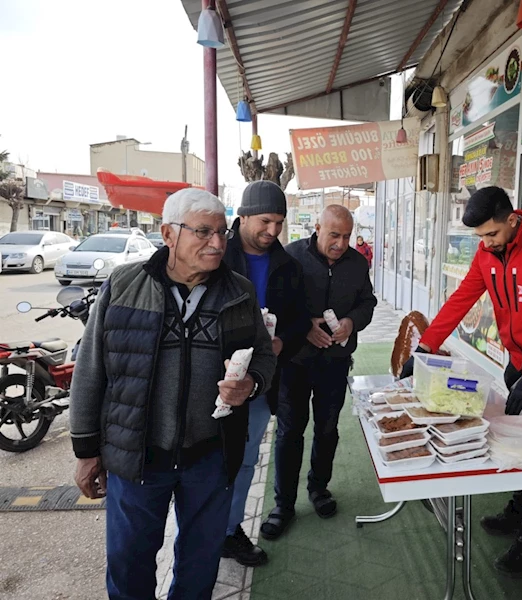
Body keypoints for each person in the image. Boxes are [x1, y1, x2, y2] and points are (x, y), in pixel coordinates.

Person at [69, 188, 276, 600]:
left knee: (200, 565)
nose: (217, 243)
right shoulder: (124, 286)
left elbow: (264, 356)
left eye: (221, 233)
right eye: (203, 232)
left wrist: (251, 383)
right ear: (168, 234)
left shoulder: (238, 292)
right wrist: (86, 450)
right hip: (136, 456)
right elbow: (90, 371)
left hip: (211, 456)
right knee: (130, 565)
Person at [400, 186, 522, 574]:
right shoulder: (487, 254)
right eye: (481, 236)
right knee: (517, 443)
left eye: (492, 234)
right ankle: (517, 511)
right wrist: (425, 347)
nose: (486, 243)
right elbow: (461, 299)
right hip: (518, 366)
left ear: (513, 219)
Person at [261, 205, 377, 540]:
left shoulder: (357, 263)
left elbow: (367, 303)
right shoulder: (290, 256)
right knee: (289, 432)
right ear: (317, 228)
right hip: (295, 362)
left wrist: (351, 322)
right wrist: (304, 327)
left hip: (335, 362)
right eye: (334, 235)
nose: (340, 243)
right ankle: (283, 505)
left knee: (327, 430)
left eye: (347, 236)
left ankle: (319, 488)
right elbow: (274, 306)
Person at [220, 180, 309, 566]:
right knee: (203, 462)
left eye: (279, 223)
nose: (273, 231)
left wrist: (281, 343)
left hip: (258, 381)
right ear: (243, 217)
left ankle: (229, 530)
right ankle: (199, 531)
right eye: (265, 221)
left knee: (245, 459)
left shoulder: (288, 266)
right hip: (208, 377)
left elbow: (299, 320)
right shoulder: (216, 254)